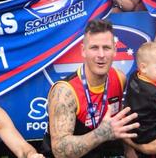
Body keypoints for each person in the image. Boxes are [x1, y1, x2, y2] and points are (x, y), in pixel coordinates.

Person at [42, 19, 140, 158]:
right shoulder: (65, 91)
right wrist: (101, 133)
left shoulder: (119, 78)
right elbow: (59, 151)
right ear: (83, 51)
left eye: (106, 48)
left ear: (115, 50)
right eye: (94, 48)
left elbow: (118, 125)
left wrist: (129, 150)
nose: (101, 55)